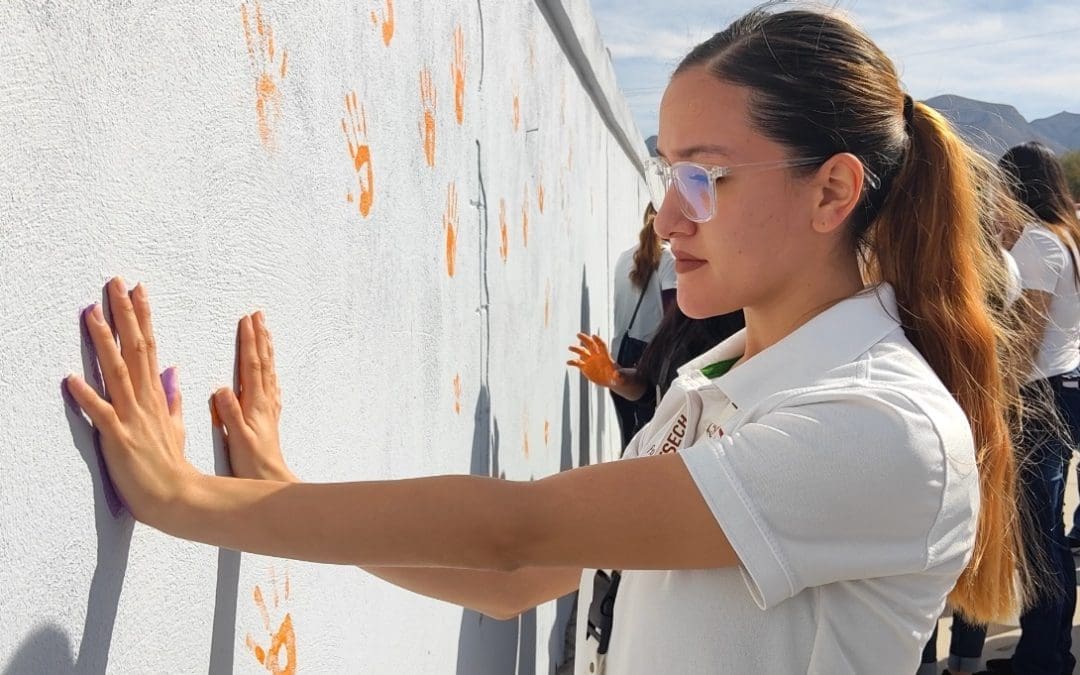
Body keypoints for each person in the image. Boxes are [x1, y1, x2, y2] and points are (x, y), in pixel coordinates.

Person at [64, 6, 1033, 673]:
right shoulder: (723, 386)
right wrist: (273, 487)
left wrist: (185, 500)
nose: (669, 213)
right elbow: (518, 582)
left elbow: (512, 531)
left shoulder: (877, 422)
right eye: (669, 172)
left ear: (832, 190)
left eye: (707, 177)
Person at [973, 142, 1080, 675]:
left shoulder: (1038, 242)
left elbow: (1027, 333)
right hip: (1063, 388)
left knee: (1037, 539)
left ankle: (1041, 658)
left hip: (1036, 398)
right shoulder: (1066, 237)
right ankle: (1051, 649)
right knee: (1050, 534)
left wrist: (995, 399)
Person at [567, 306, 746, 444]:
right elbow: (652, 391)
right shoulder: (685, 316)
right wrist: (618, 379)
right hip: (654, 447)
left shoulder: (743, 335)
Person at [608, 203, 677, 448]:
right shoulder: (668, 257)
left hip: (618, 357)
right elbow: (673, 314)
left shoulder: (624, 257)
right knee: (651, 442)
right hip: (648, 361)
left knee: (629, 441)